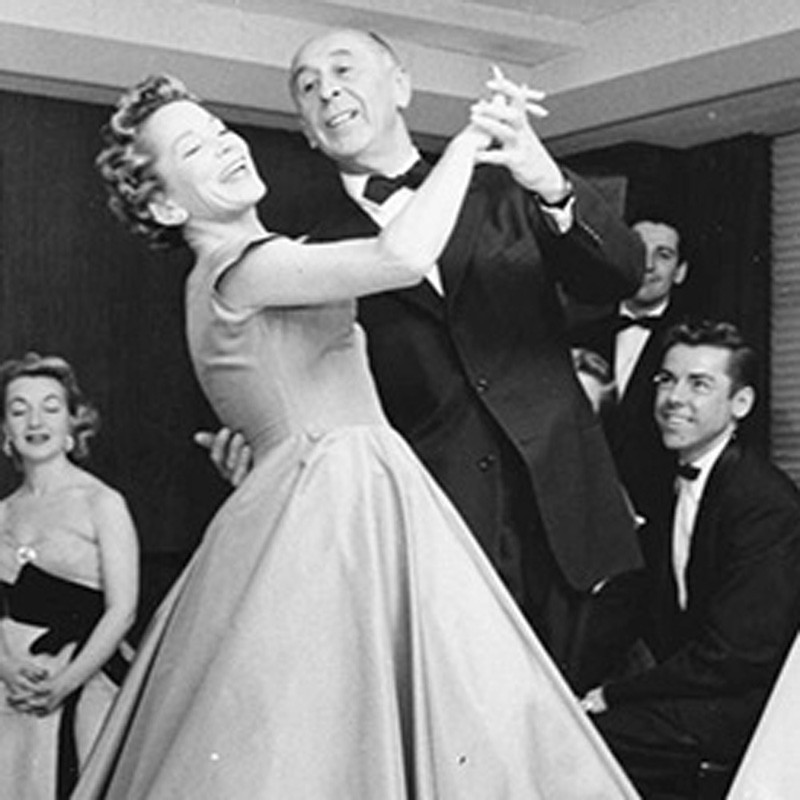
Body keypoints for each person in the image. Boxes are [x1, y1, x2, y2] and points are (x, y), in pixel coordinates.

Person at [73, 74, 639, 799]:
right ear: (164, 204)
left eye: (219, 129)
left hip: (349, 489)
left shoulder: (261, 261)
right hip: (335, 505)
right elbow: (400, 259)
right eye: (194, 148)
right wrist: (469, 142)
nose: (226, 145)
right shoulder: (242, 266)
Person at [201, 27, 647, 686]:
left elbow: (621, 274)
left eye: (344, 70)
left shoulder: (505, 189)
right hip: (439, 530)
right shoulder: (312, 257)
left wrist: (549, 181)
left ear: (402, 86)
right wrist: (267, 451)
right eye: (308, 87)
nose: (328, 92)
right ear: (308, 133)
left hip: (574, 521)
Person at [580, 320, 800, 799]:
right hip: (697, 693)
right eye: (666, 379)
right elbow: (630, 604)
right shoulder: (669, 483)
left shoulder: (764, 503)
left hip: (750, 711)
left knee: (579, 744)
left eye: (699, 384)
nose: (674, 398)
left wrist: (612, 694)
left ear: (741, 404)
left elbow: (736, 657)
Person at [0, 352, 139, 799]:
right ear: (5, 431)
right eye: (19, 410)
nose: (34, 421)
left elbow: (122, 610)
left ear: (73, 425)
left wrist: (64, 683)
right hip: (12, 682)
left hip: (85, 677)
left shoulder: (101, 503)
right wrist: (6, 669)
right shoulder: (2, 512)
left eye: (50, 407)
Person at [571, 216, 691, 528]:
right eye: (637, 251)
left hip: (664, 518)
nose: (647, 265)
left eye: (663, 255)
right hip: (581, 513)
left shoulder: (694, 346)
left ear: (680, 272)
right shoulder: (573, 337)